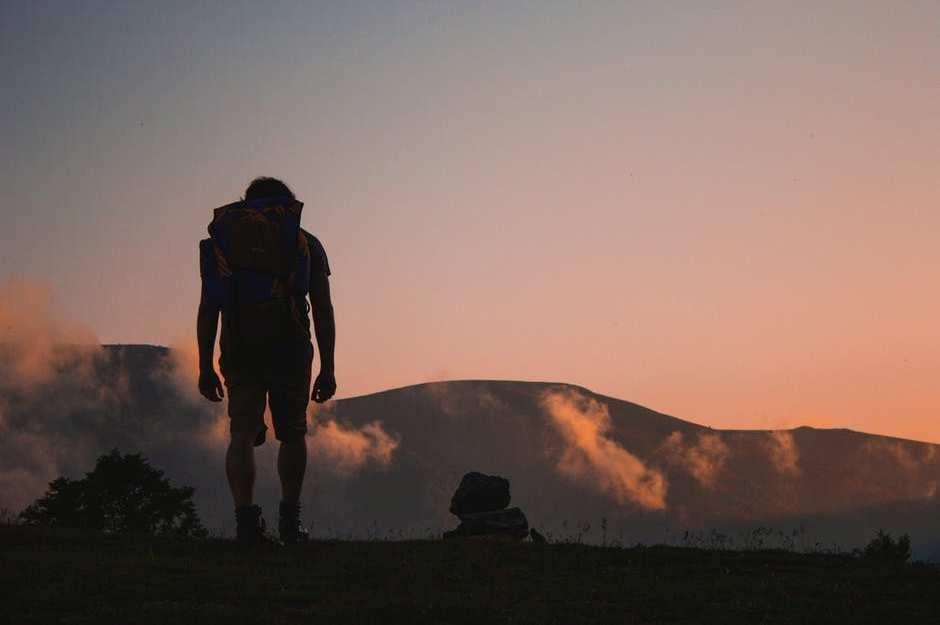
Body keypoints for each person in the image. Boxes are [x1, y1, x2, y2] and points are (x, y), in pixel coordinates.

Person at [196, 177, 336, 544]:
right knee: (292, 433)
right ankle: (289, 523)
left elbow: (209, 308)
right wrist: (328, 366)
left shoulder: (223, 244)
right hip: (289, 343)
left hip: (238, 342)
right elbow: (322, 308)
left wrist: (204, 364)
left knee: (240, 433)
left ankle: (246, 523)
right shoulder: (305, 243)